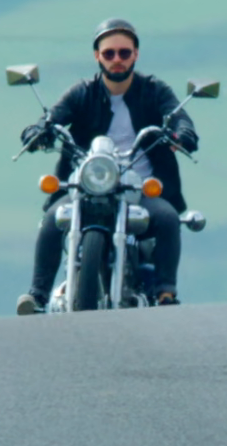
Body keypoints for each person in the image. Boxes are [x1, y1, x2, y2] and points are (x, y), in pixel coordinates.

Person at [16, 18, 200, 314]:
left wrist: (183, 134)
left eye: (124, 53)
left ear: (135, 55)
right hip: (87, 184)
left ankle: (166, 293)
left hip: (139, 188)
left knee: (167, 218)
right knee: (53, 219)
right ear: (97, 56)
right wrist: (38, 132)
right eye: (109, 53)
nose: (117, 59)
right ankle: (37, 295)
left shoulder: (155, 90)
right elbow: (53, 117)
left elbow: (178, 116)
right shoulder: (82, 92)